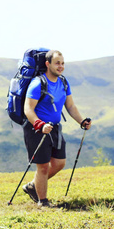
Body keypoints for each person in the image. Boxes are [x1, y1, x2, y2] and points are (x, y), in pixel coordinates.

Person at [22, 50, 91, 207]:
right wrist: (39, 124)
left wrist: (81, 121)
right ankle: (43, 202)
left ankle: (33, 186)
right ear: (48, 64)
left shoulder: (64, 83)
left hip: (54, 128)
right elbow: (28, 109)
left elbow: (70, 106)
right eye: (57, 63)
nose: (60, 66)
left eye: (62, 63)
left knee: (59, 163)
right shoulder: (37, 83)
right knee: (43, 167)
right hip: (37, 129)